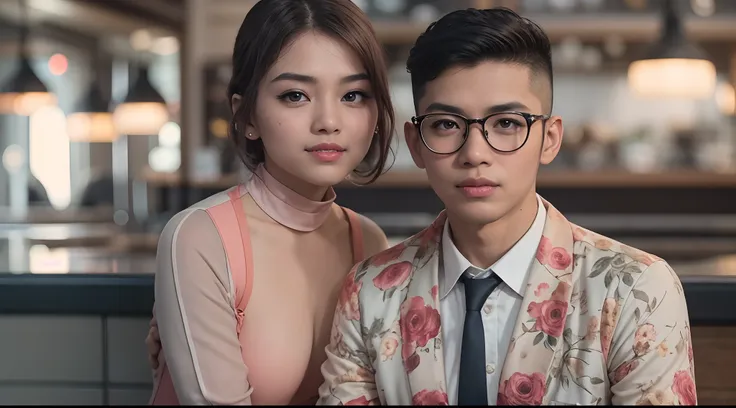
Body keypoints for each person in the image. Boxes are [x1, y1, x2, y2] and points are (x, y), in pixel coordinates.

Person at [317, 7, 697, 406]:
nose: (475, 153)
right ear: (415, 143)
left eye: (507, 123)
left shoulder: (636, 289)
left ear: (549, 139)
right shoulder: (370, 292)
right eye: (446, 124)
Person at [146, 0, 396, 404]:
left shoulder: (368, 241)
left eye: (353, 95)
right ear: (246, 116)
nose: (328, 120)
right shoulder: (200, 238)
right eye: (295, 95)